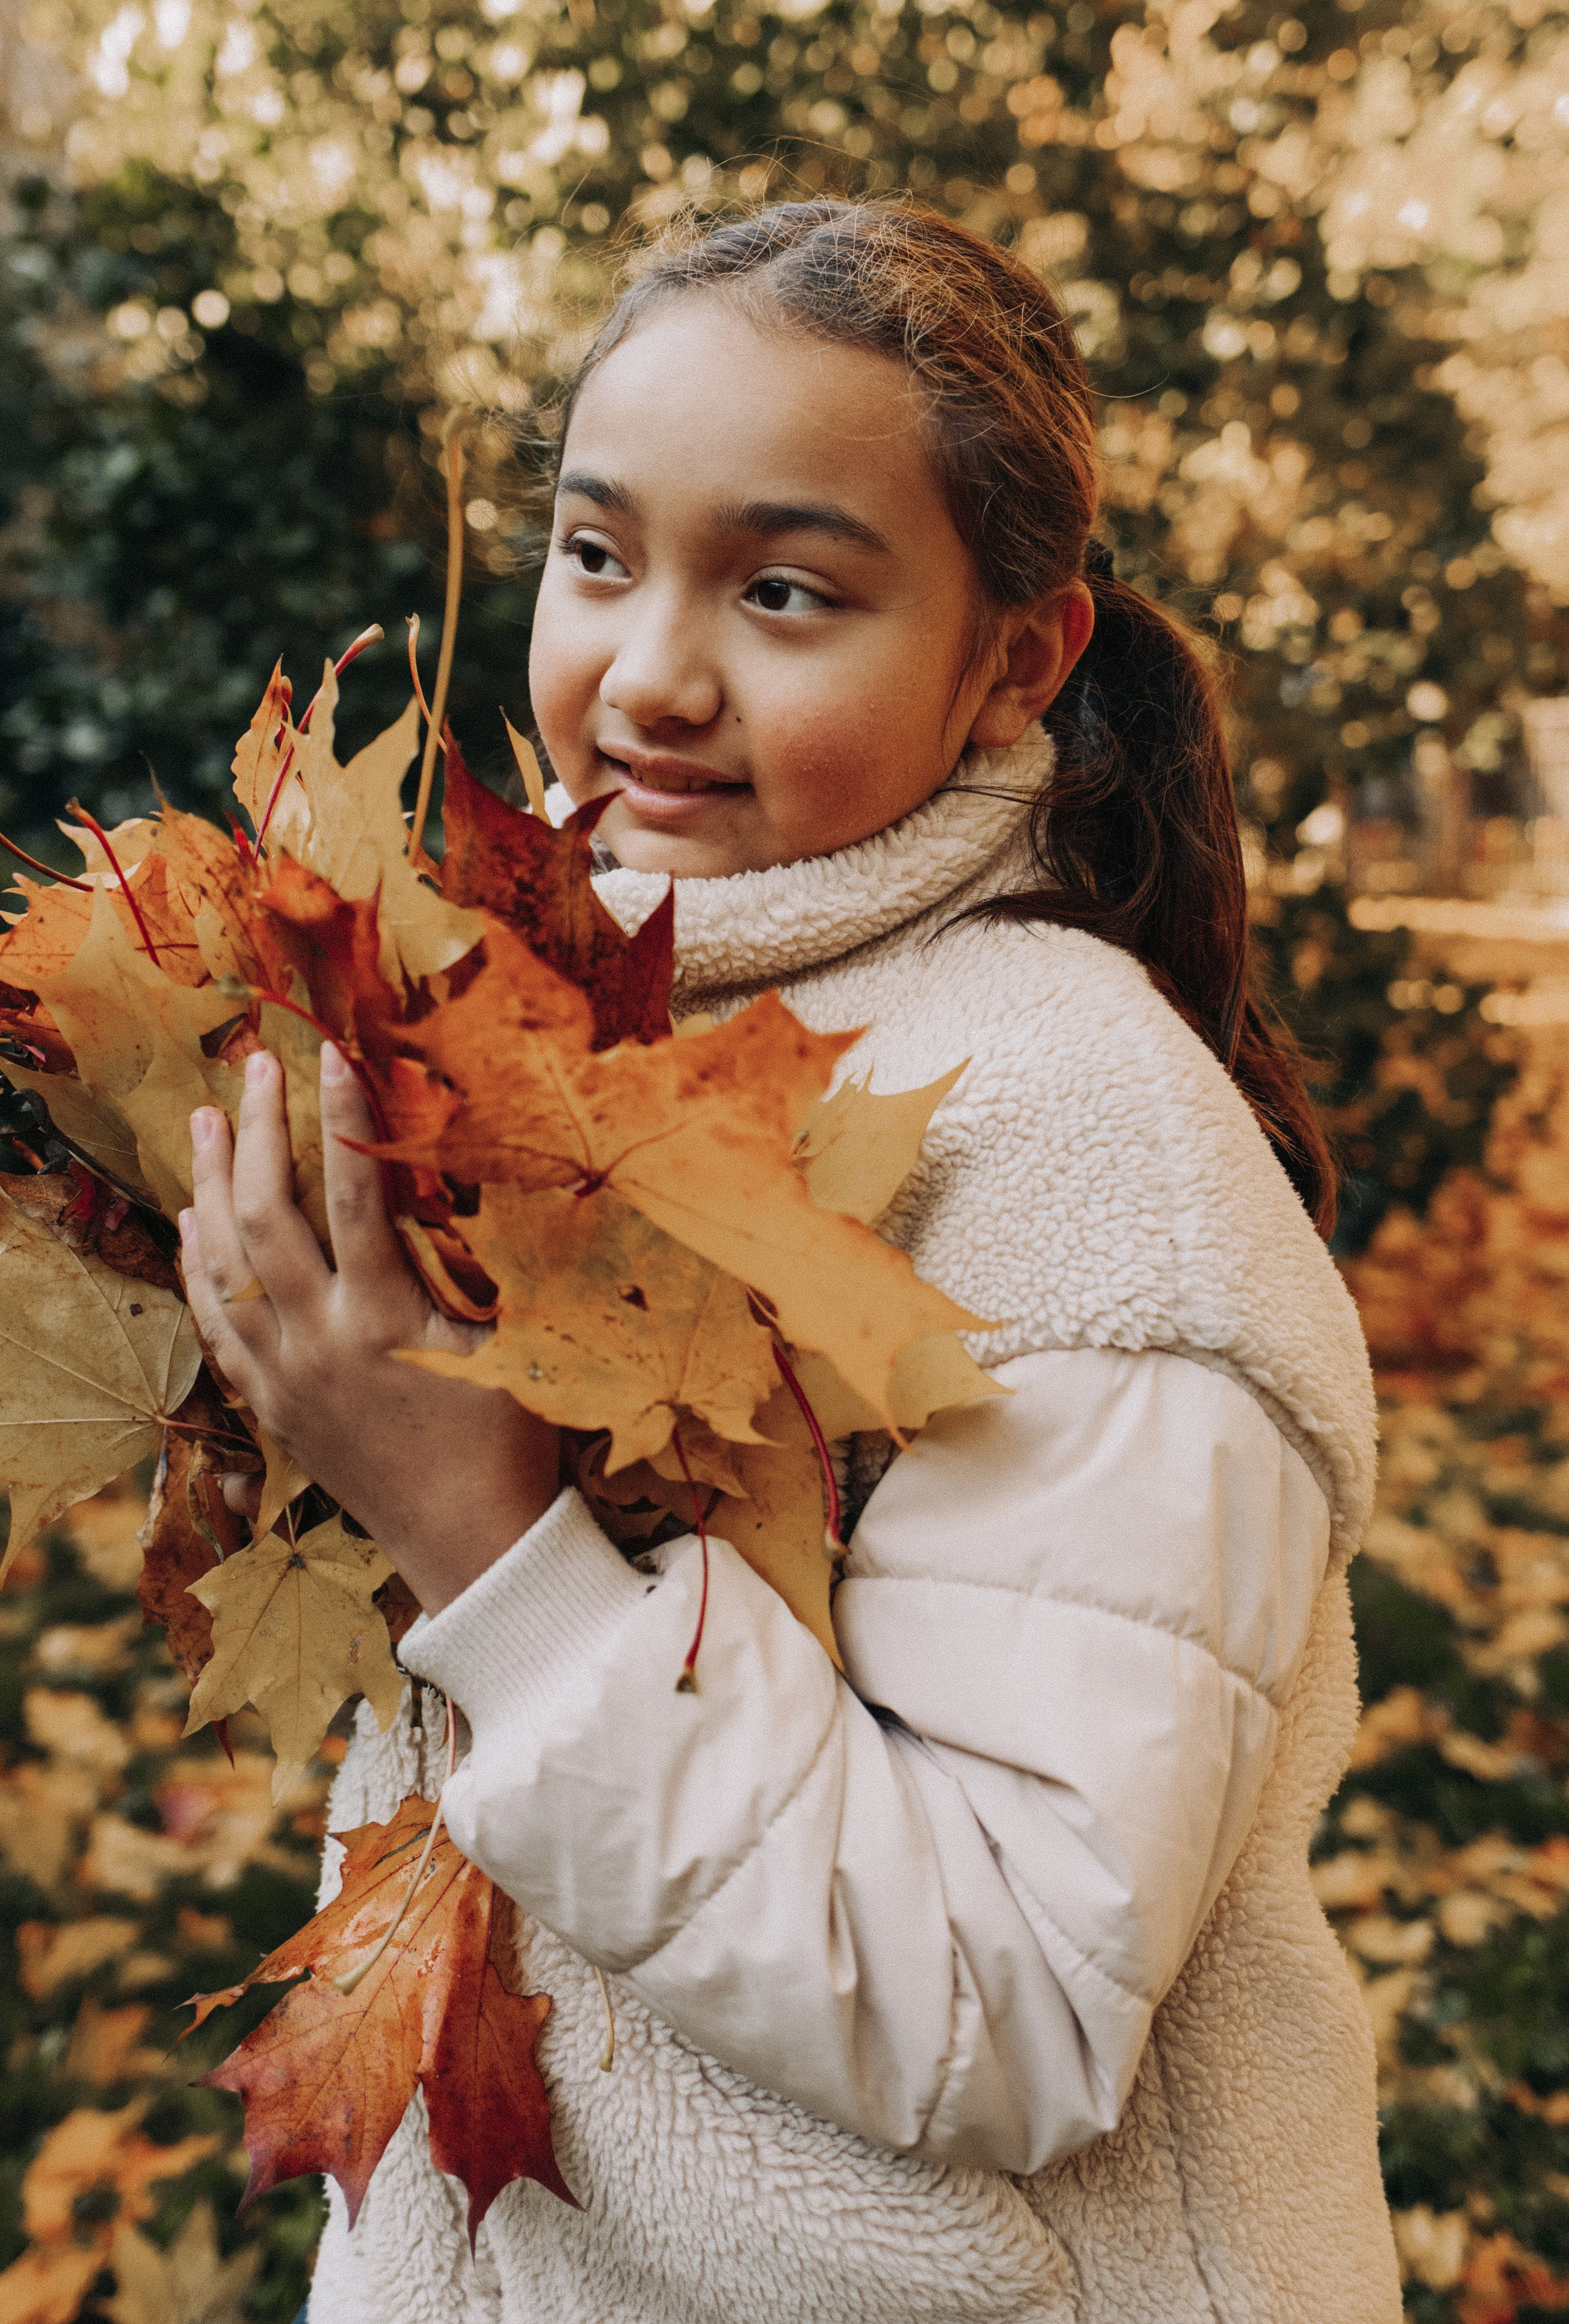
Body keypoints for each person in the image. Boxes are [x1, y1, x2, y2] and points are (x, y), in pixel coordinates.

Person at [183, 200, 1402, 2324]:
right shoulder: (564, 1046)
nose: (649, 672)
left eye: (781, 589)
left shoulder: (1085, 1154)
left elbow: (1009, 1998)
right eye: (592, 554)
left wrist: (482, 1538)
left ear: (1017, 655)